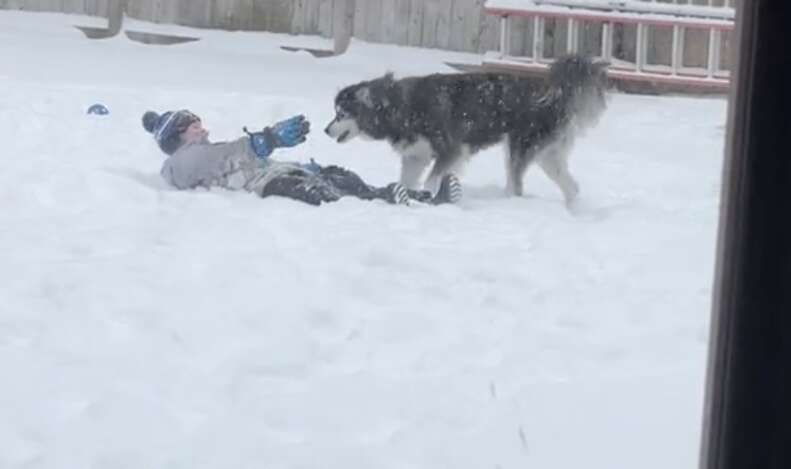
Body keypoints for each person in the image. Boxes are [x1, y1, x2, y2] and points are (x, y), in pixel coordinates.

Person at [142, 109, 461, 206]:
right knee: (327, 195)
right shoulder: (179, 163)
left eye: (198, 121)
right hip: (270, 185)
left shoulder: (204, 149)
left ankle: (420, 199)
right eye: (191, 125)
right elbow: (217, 159)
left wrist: (294, 162)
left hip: (280, 171)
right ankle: (389, 201)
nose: (200, 126)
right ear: (177, 137)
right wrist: (262, 141)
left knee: (340, 176)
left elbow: (225, 155)